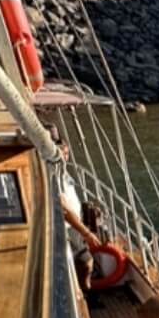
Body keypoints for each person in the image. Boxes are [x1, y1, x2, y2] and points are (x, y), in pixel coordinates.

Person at [46, 125, 102, 292]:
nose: (64, 155)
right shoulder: (49, 172)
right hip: (65, 228)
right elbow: (62, 207)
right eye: (59, 151)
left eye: (65, 152)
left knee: (85, 262)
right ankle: (81, 294)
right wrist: (86, 232)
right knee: (80, 262)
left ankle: (85, 290)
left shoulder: (62, 171)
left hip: (75, 225)